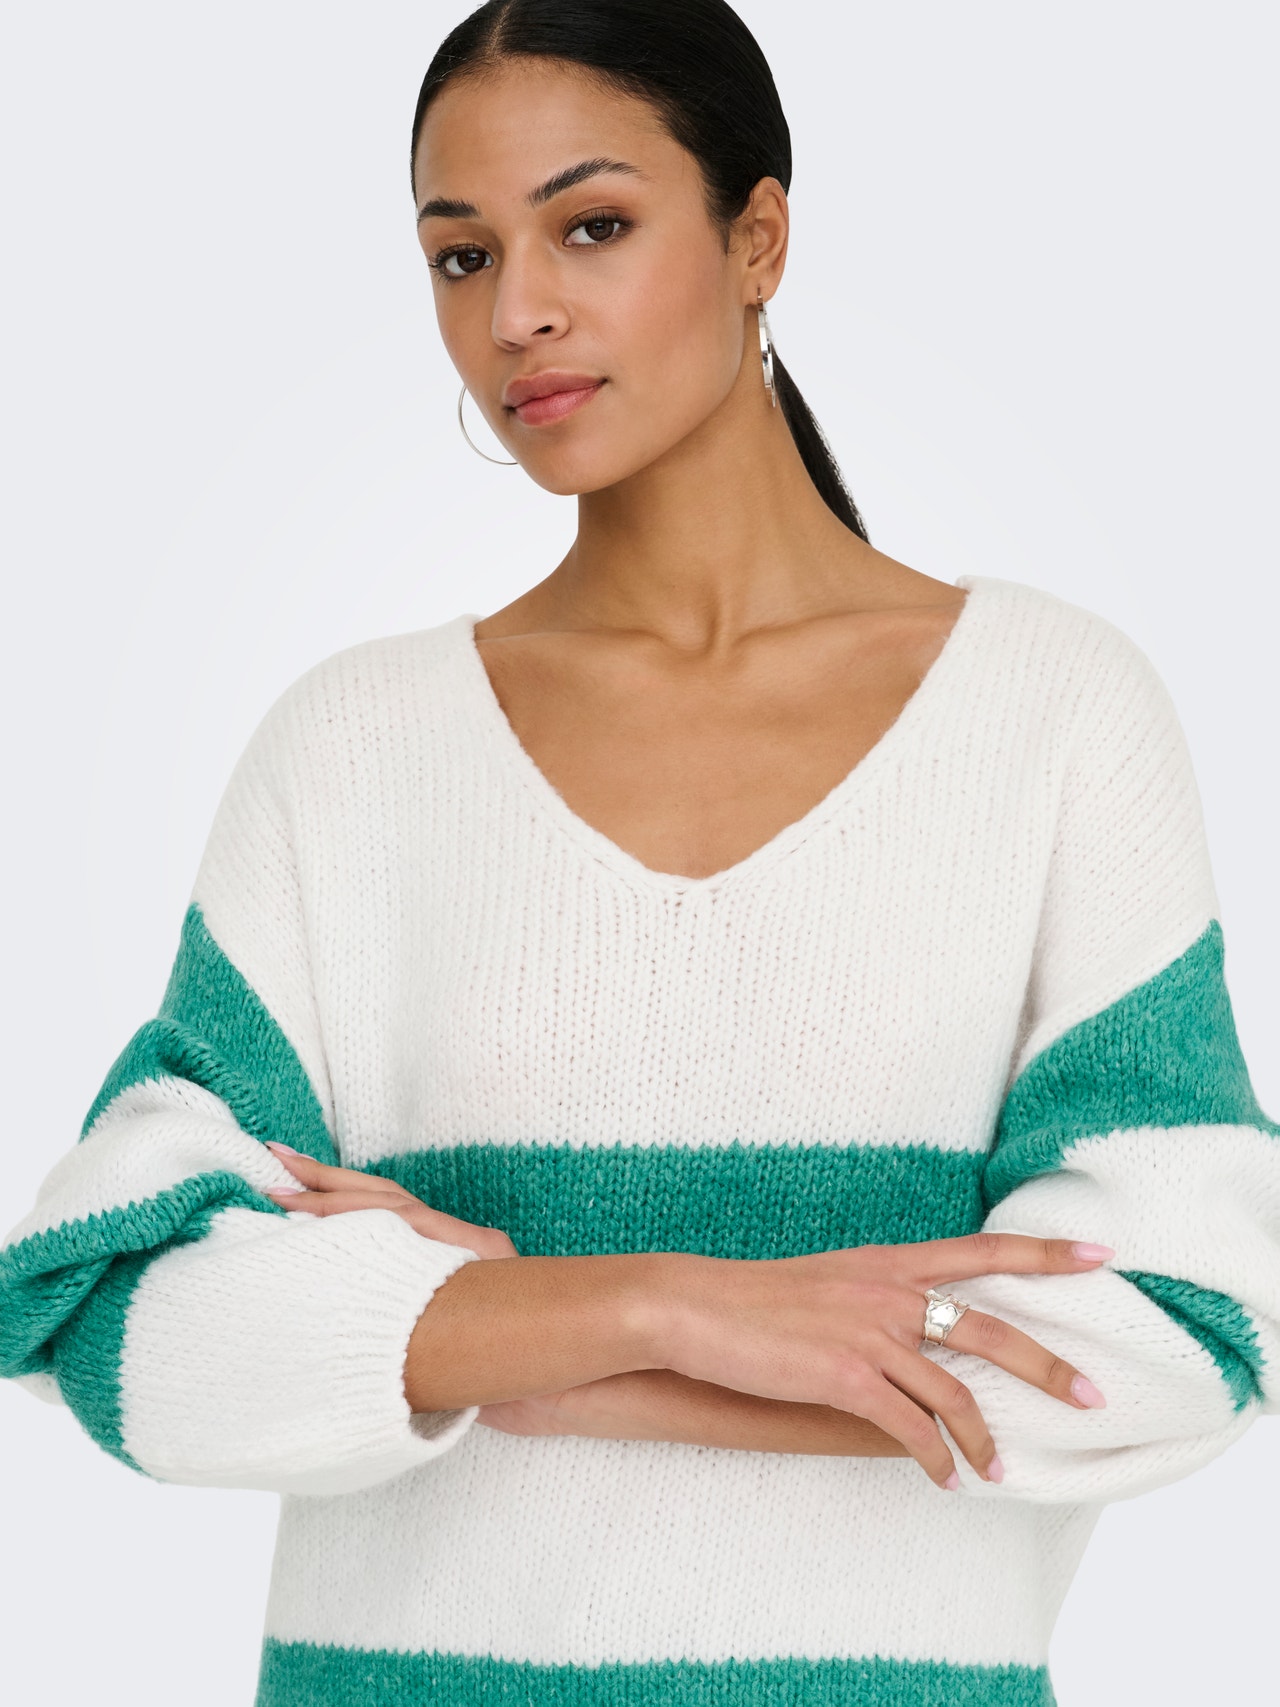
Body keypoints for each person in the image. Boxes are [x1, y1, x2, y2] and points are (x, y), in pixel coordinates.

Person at [2, 2, 1277, 1703]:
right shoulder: (354, 752)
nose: (515, 312)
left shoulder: (1049, 716)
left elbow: (1185, 1336)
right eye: (462, 255)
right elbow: (108, 1313)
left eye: (590, 226)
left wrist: (505, 1344)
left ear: (759, 240)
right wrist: (661, 1304)